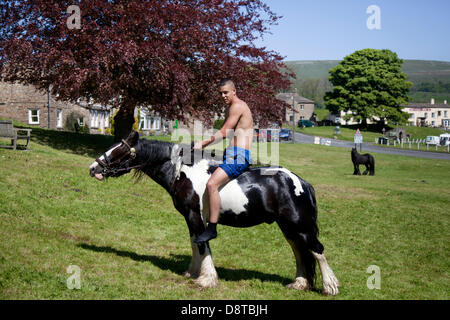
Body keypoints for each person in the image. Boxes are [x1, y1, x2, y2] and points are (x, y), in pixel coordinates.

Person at [193, 78, 254, 244]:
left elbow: (225, 131)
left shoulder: (237, 106)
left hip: (239, 157)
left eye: (226, 92)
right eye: (221, 93)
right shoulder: (232, 108)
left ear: (234, 91)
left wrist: (203, 143)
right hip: (232, 154)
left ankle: (212, 228)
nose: (223, 96)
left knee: (212, 184)